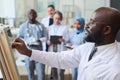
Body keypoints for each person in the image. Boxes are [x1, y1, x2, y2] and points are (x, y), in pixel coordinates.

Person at [12, 7, 120, 80]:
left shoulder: (115, 70)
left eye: (92, 22)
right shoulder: (88, 47)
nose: (86, 25)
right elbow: (60, 59)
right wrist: (28, 52)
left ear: (106, 30)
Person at [17, 9, 47, 80]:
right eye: (30, 14)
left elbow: (46, 36)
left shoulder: (41, 26)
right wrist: (26, 42)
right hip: (28, 53)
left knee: (41, 74)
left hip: (39, 53)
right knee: (30, 75)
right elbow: (19, 38)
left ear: (36, 15)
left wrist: (40, 40)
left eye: (33, 14)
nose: (32, 15)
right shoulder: (23, 26)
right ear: (27, 15)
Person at [47, 11, 69, 80]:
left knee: (60, 71)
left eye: (59, 18)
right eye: (55, 18)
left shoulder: (64, 28)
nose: (57, 20)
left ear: (61, 19)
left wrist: (63, 39)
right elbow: (47, 39)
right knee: (54, 70)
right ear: (53, 18)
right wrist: (48, 42)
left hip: (61, 51)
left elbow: (67, 39)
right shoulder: (49, 28)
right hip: (52, 50)